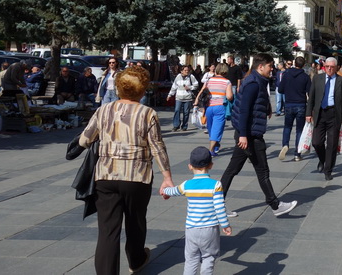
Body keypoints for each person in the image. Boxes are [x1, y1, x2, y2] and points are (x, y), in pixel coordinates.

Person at [78, 65, 174, 275]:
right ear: (143, 89)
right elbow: (158, 147)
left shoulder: (103, 110)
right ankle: (136, 260)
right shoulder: (148, 113)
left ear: (119, 87)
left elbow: (85, 139)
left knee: (107, 231)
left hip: (105, 176)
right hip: (137, 177)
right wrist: (167, 177)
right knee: (136, 221)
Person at [221, 53, 297, 218]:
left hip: (249, 133)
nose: (272, 69)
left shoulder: (257, 80)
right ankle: (275, 205)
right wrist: (242, 135)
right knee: (261, 171)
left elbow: (256, 102)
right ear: (260, 66)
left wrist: (266, 108)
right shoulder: (253, 83)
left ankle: (216, 205)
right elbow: (244, 111)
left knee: (233, 170)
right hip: (249, 135)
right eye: (270, 66)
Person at [162, 146, 232, 275]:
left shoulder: (186, 185)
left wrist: (164, 190)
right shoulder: (216, 185)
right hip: (209, 229)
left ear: (190, 166)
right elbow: (220, 207)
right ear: (211, 165)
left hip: (191, 229)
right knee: (209, 257)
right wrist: (225, 224)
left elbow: (174, 191)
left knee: (191, 259)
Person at [306, 57, 342, 181]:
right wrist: (308, 113)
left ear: (336, 68)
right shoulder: (317, 79)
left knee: (331, 144)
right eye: (327, 66)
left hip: (334, 114)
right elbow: (312, 97)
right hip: (320, 114)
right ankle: (322, 159)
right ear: (324, 67)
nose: (329, 69)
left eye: (332, 67)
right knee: (316, 142)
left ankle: (328, 169)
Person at [278, 56, 312, 162]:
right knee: (299, 130)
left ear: (294, 63)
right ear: (303, 65)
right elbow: (310, 92)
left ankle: (285, 144)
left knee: (287, 127)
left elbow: (280, 89)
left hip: (288, 104)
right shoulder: (305, 77)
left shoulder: (286, 74)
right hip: (301, 104)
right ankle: (297, 154)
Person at [203, 63, 233, 156]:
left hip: (209, 106)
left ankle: (216, 145)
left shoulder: (209, 80)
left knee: (211, 128)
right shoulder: (227, 82)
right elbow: (229, 96)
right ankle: (211, 150)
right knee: (217, 129)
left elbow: (203, 92)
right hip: (220, 107)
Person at [169, 66, 198, 132]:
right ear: (181, 71)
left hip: (188, 98)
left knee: (186, 112)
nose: (187, 71)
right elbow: (174, 86)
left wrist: (190, 87)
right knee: (177, 110)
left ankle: (184, 126)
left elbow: (196, 85)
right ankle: (176, 125)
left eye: (187, 70)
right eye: (185, 70)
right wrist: (170, 95)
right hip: (179, 97)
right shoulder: (178, 77)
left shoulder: (191, 76)